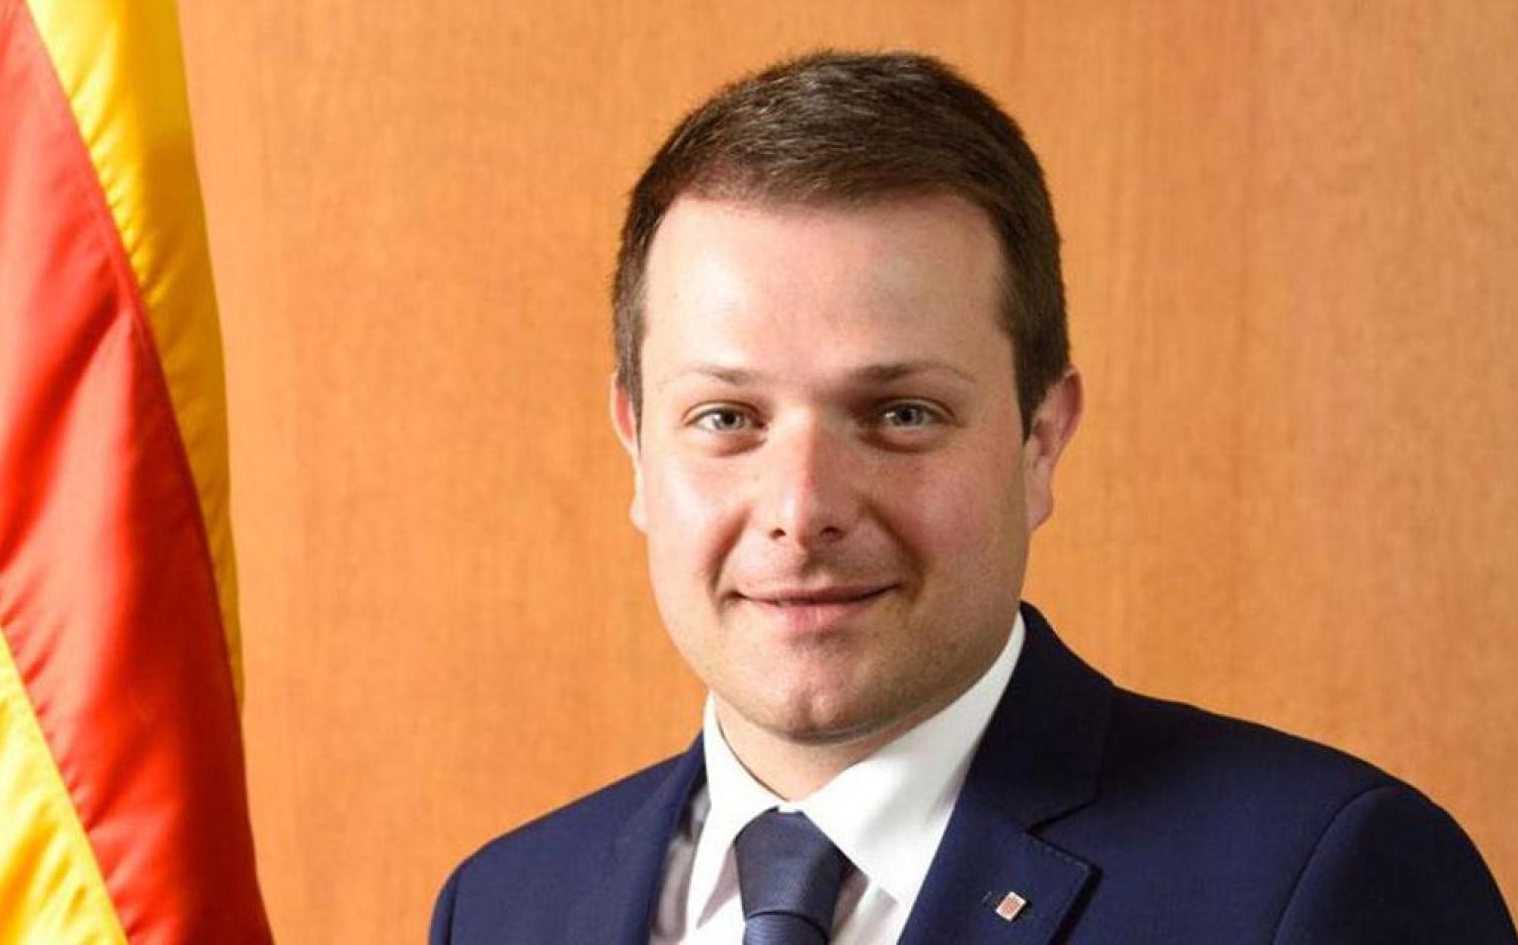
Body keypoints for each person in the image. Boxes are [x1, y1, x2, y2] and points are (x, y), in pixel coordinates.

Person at [430, 50, 1515, 944]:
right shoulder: (501, 909)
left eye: (900, 413)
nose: (801, 508)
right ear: (635, 445)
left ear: (1041, 437)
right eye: (726, 418)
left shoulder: (1319, 884)